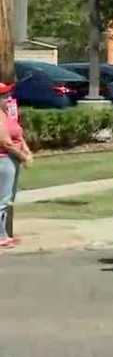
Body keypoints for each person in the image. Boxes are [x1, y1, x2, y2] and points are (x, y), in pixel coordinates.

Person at [0, 82, 31, 249]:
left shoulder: (7, 114)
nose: (8, 97)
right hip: (4, 160)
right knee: (2, 200)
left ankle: (4, 234)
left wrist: (26, 150)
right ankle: (0, 235)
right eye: (4, 95)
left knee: (8, 199)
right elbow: (6, 142)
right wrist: (23, 157)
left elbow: (18, 135)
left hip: (12, 159)